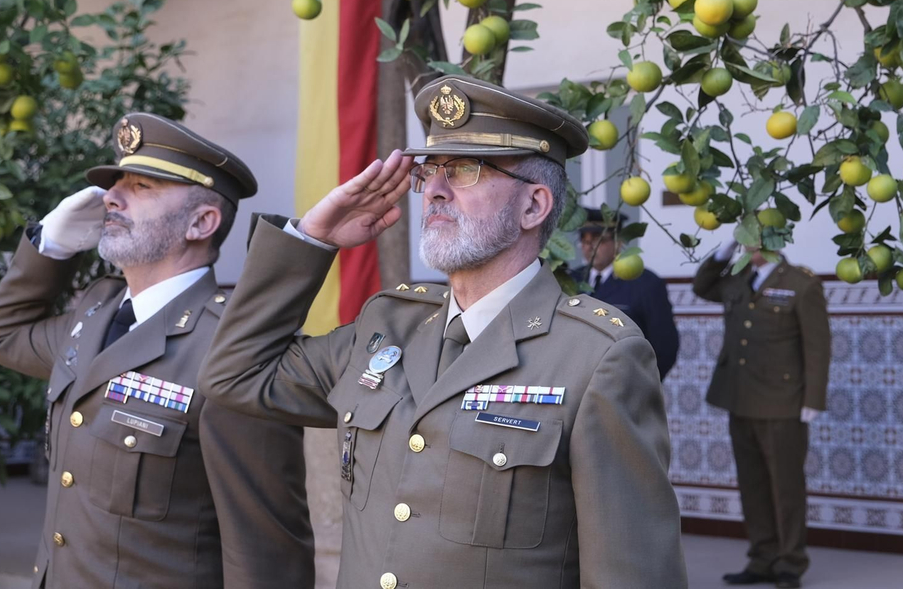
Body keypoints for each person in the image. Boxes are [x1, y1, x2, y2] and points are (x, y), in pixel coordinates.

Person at [201, 76, 689, 589]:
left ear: (534, 206)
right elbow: (235, 375)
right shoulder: (388, 324)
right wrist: (312, 240)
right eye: (430, 171)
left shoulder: (598, 357)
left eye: (463, 170)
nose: (434, 188)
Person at [0, 113, 314, 589]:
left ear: (202, 222)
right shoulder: (96, 312)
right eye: (116, 184)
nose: (112, 198)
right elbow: (3, 337)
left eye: (142, 187)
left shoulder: (233, 349)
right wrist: (49, 246)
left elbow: (266, 552)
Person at [692, 239, 831, 589]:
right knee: (752, 485)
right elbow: (702, 286)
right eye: (746, 236)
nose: (751, 243)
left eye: (758, 236)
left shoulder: (801, 283)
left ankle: (790, 563)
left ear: (775, 240)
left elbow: (818, 345)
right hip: (740, 397)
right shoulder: (738, 278)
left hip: (783, 401)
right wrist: (724, 249)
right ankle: (762, 557)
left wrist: (813, 398)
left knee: (786, 487)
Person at [571, 209, 680, 378]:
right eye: (584, 241)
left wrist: (645, 384)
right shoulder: (572, 280)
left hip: (627, 382)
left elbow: (665, 345)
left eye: (598, 240)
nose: (589, 247)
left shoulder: (645, 283)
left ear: (618, 242)